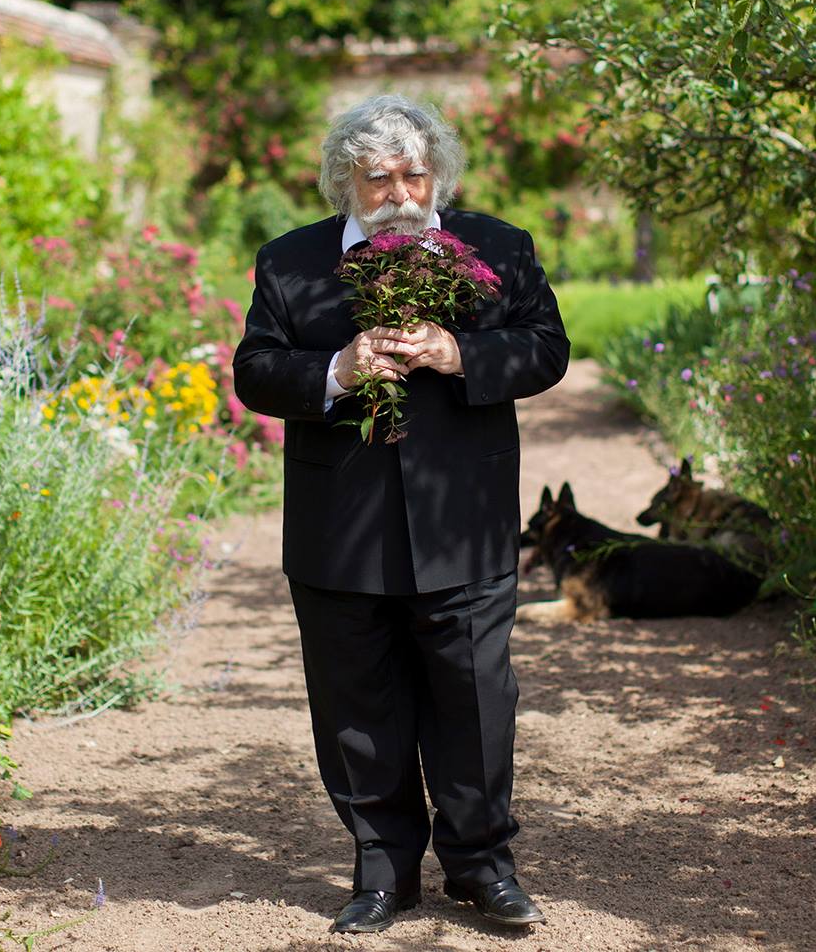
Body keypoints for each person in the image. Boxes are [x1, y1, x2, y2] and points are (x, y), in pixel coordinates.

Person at [232, 94, 569, 934]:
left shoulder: (498, 247)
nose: (399, 192)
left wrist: (462, 353)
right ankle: (382, 874)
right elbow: (255, 372)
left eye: (414, 174)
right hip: (338, 525)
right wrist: (339, 369)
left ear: (439, 175)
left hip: (466, 515)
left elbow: (546, 348)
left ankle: (482, 867)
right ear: (344, 181)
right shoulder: (290, 262)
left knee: (476, 700)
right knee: (357, 710)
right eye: (377, 178)